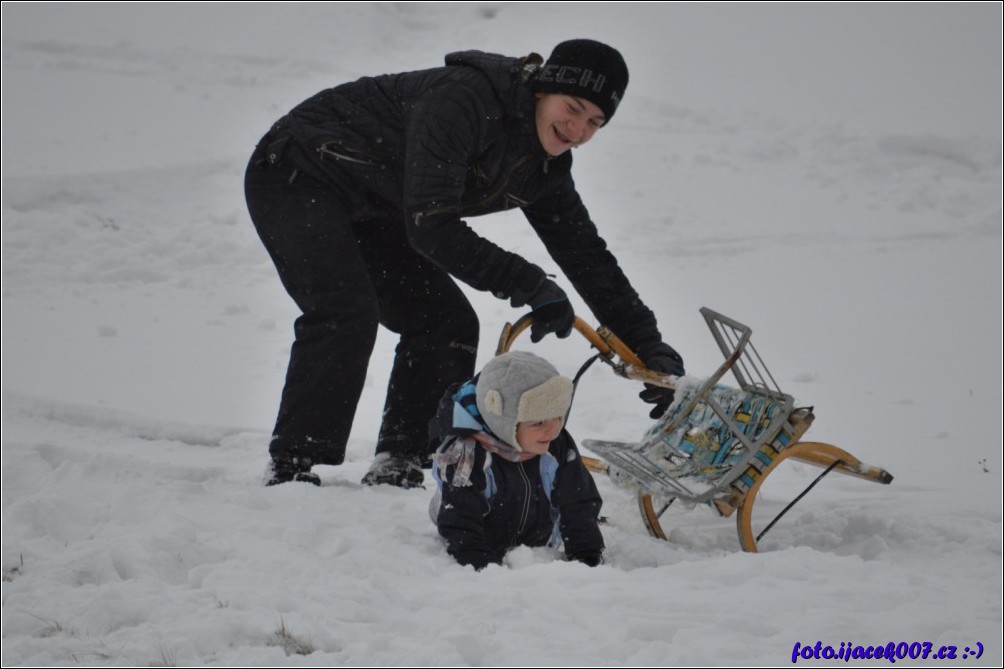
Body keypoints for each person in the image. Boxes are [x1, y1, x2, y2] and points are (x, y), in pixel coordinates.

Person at [244, 39, 685, 488]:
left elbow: (588, 257)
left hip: (374, 206)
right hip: (298, 170)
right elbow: (432, 227)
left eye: (595, 122)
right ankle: (293, 461)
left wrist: (648, 347)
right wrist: (528, 282)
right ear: (543, 90)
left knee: (445, 321)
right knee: (346, 310)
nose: (577, 129)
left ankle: (402, 459)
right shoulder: (464, 101)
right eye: (572, 108)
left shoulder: (545, 170)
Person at [429, 351, 604, 569]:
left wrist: (586, 555)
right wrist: (481, 566)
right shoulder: (467, 456)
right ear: (505, 424)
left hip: (536, 547)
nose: (553, 428)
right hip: (480, 542)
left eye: (558, 416)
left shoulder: (555, 443)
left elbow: (578, 502)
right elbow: (460, 523)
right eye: (538, 422)